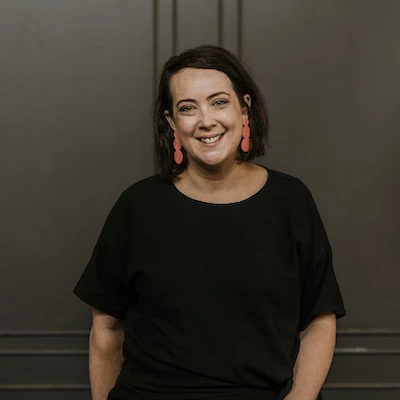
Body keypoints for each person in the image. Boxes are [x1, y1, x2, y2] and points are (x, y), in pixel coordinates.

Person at [73, 45, 346, 400]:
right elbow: (106, 331)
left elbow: (319, 320)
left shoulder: (290, 201)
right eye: (188, 108)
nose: (206, 120)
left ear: (244, 107)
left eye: (218, 102)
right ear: (172, 122)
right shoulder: (137, 206)